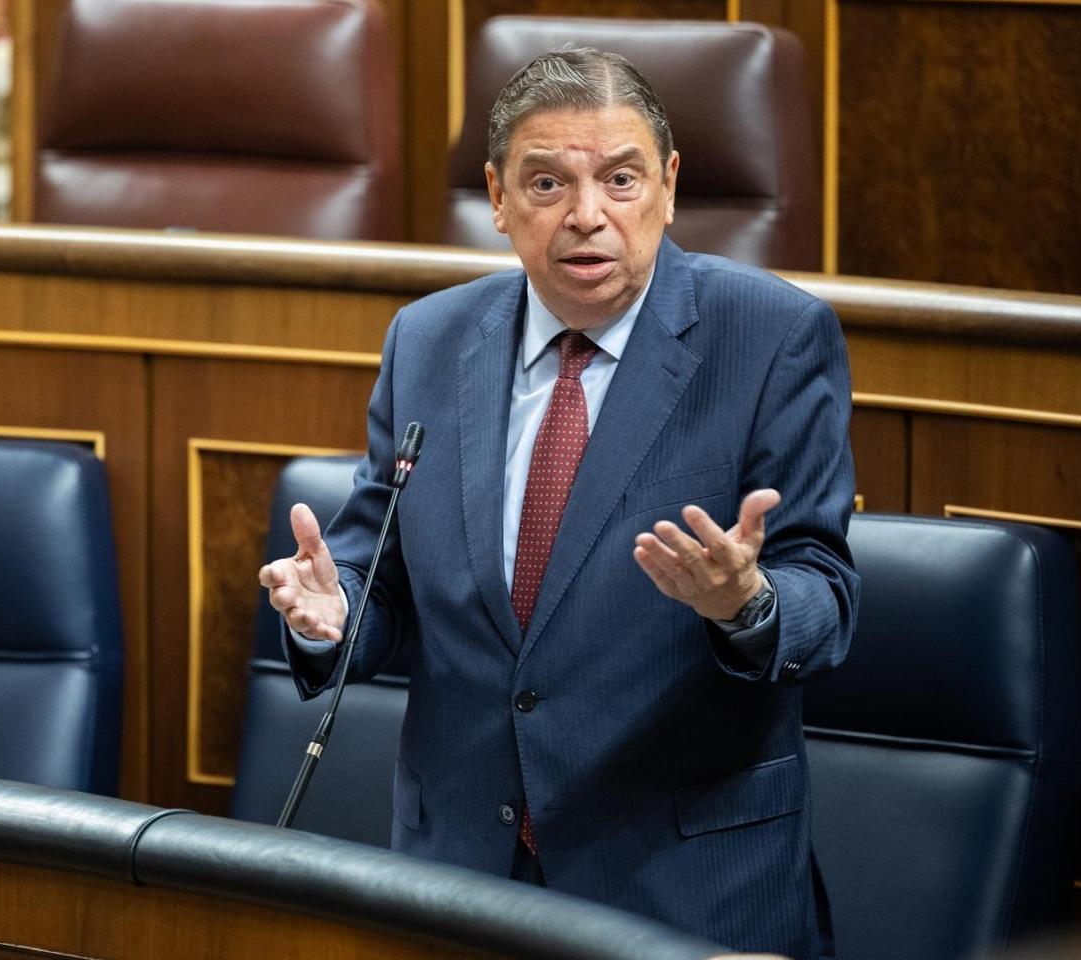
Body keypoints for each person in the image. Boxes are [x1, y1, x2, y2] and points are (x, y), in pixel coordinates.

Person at [258, 48, 858, 959]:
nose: (588, 216)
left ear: (668, 185)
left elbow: (825, 588)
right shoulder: (428, 339)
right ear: (498, 197)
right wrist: (331, 614)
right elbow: (375, 573)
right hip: (459, 877)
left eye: (620, 179)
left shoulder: (771, 337)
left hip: (684, 887)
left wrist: (749, 605)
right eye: (548, 182)